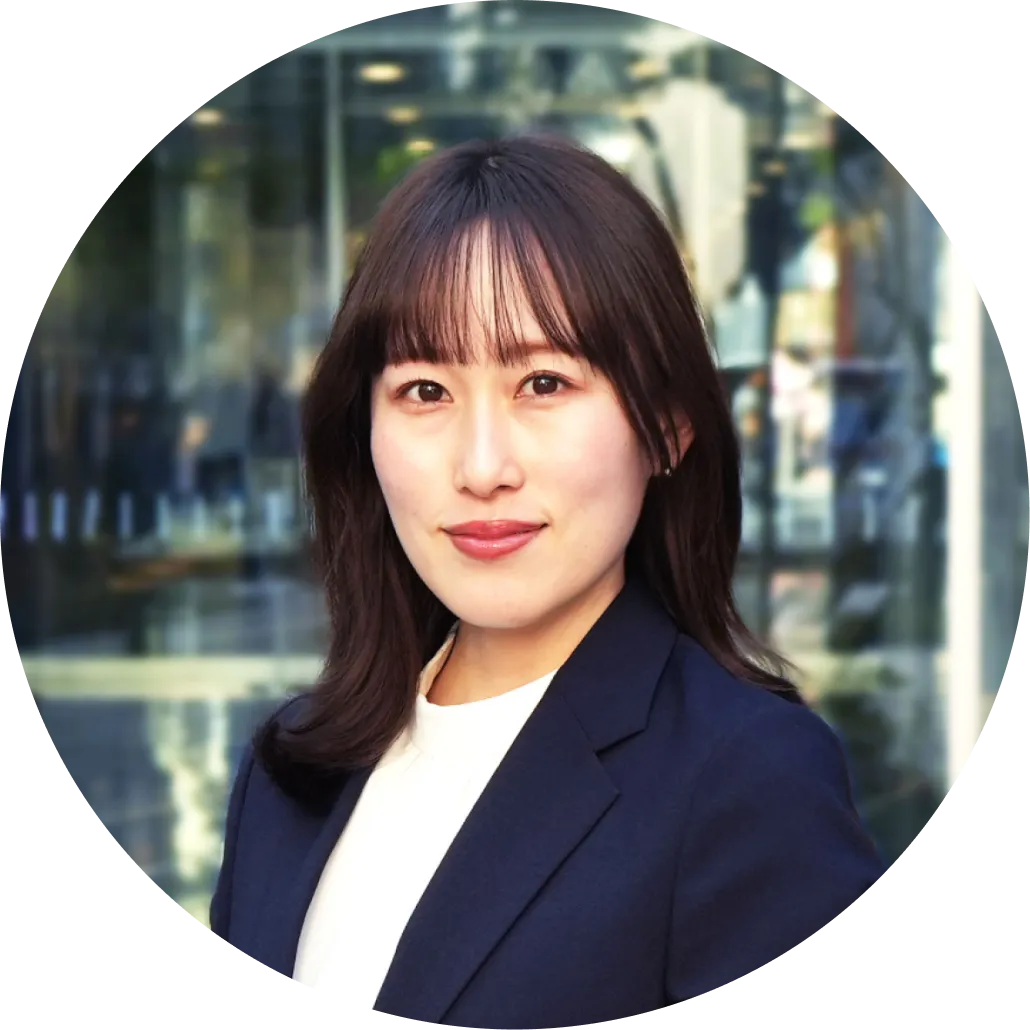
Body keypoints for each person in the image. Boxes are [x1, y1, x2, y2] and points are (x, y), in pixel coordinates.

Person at [210, 134, 886, 1027]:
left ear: (667, 425)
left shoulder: (749, 782)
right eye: (425, 391)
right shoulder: (291, 769)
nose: (482, 467)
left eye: (542, 382)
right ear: (361, 432)